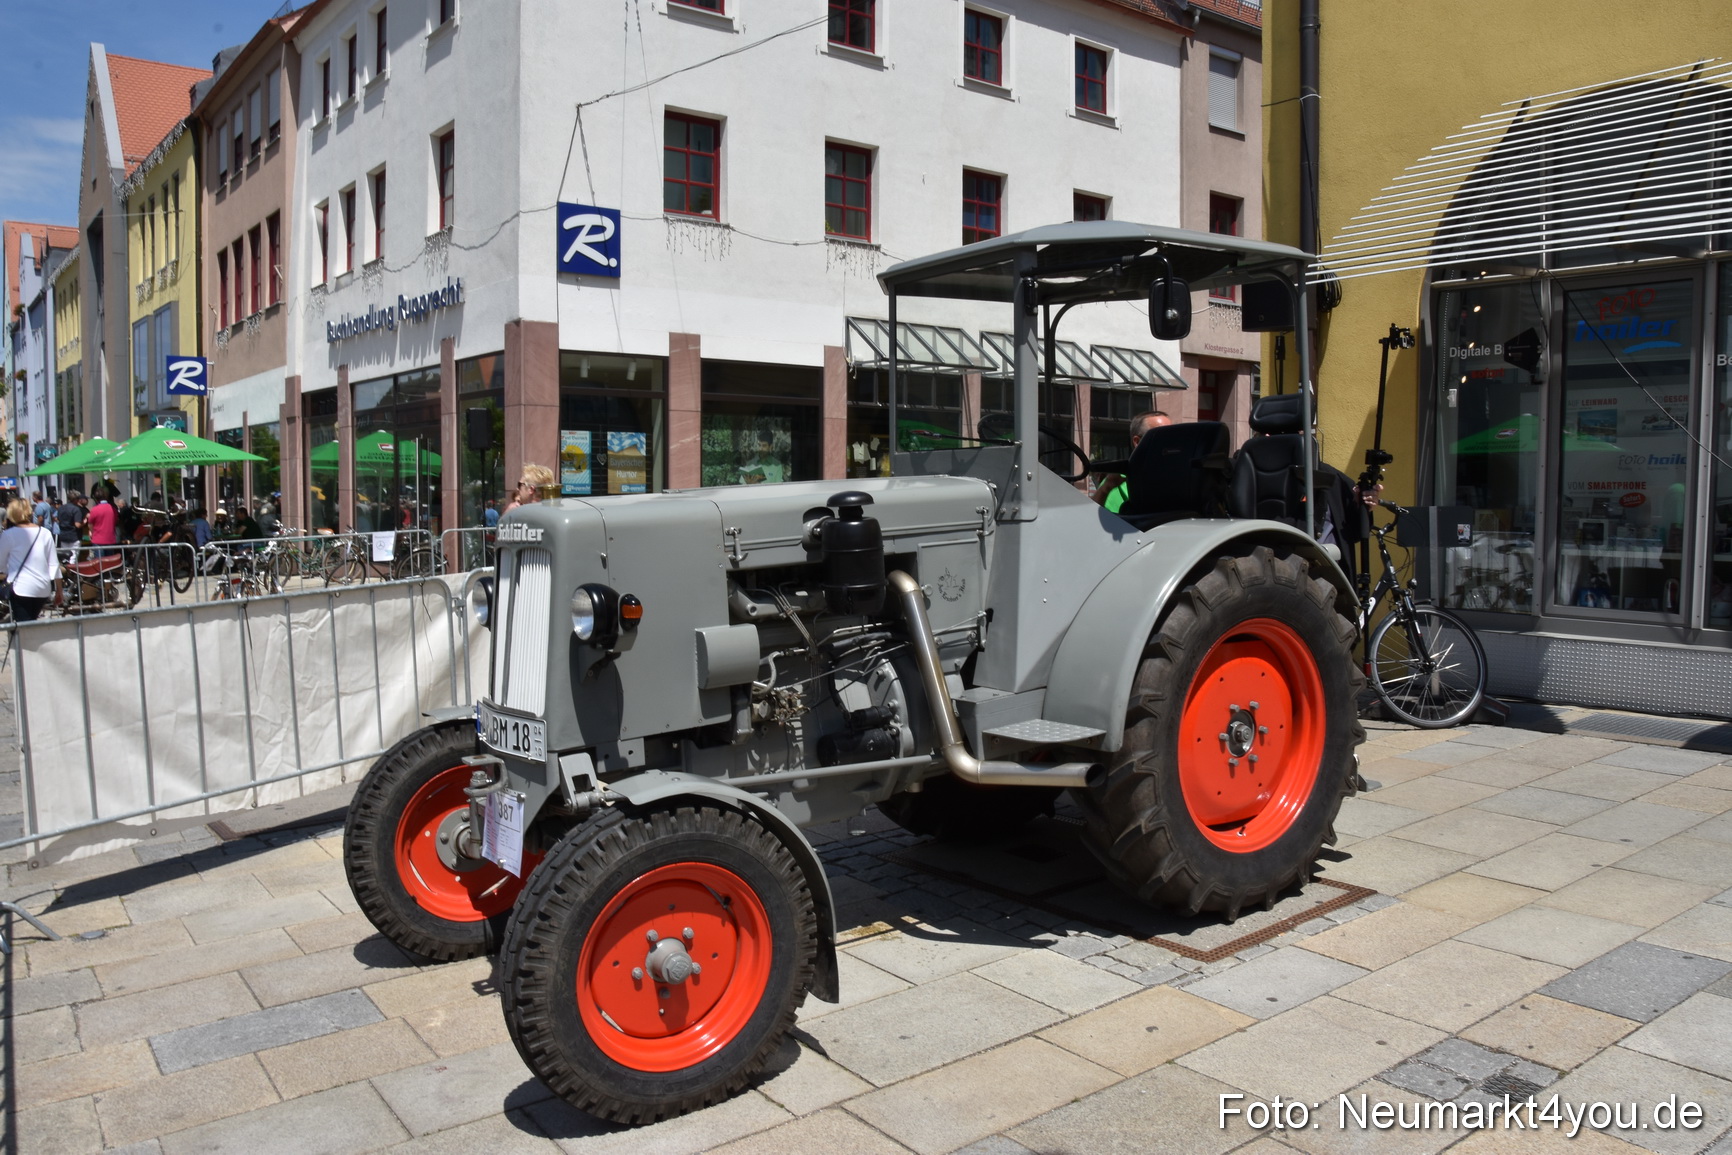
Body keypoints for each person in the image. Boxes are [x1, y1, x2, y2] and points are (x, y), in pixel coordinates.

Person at [1091, 411, 1174, 513]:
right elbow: (1090, 519)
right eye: (1161, 436)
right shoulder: (1117, 482)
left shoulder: (1184, 476)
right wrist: (1105, 490)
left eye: (1172, 436)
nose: (1170, 442)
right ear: (1137, 442)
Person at [0, 498, 62, 620]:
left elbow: (1, 563)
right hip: (42, 587)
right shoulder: (44, 533)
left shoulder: (8, 535)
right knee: (32, 621)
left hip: (20, 587)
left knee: (24, 625)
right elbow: (54, 564)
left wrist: (8, 569)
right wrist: (59, 590)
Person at [87, 485, 119, 558]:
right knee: (109, 562)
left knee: (100, 563)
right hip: (110, 538)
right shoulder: (113, 509)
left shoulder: (94, 509)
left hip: (98, 539)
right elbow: (115, 522)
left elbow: (90, 524)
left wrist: (92, 532)